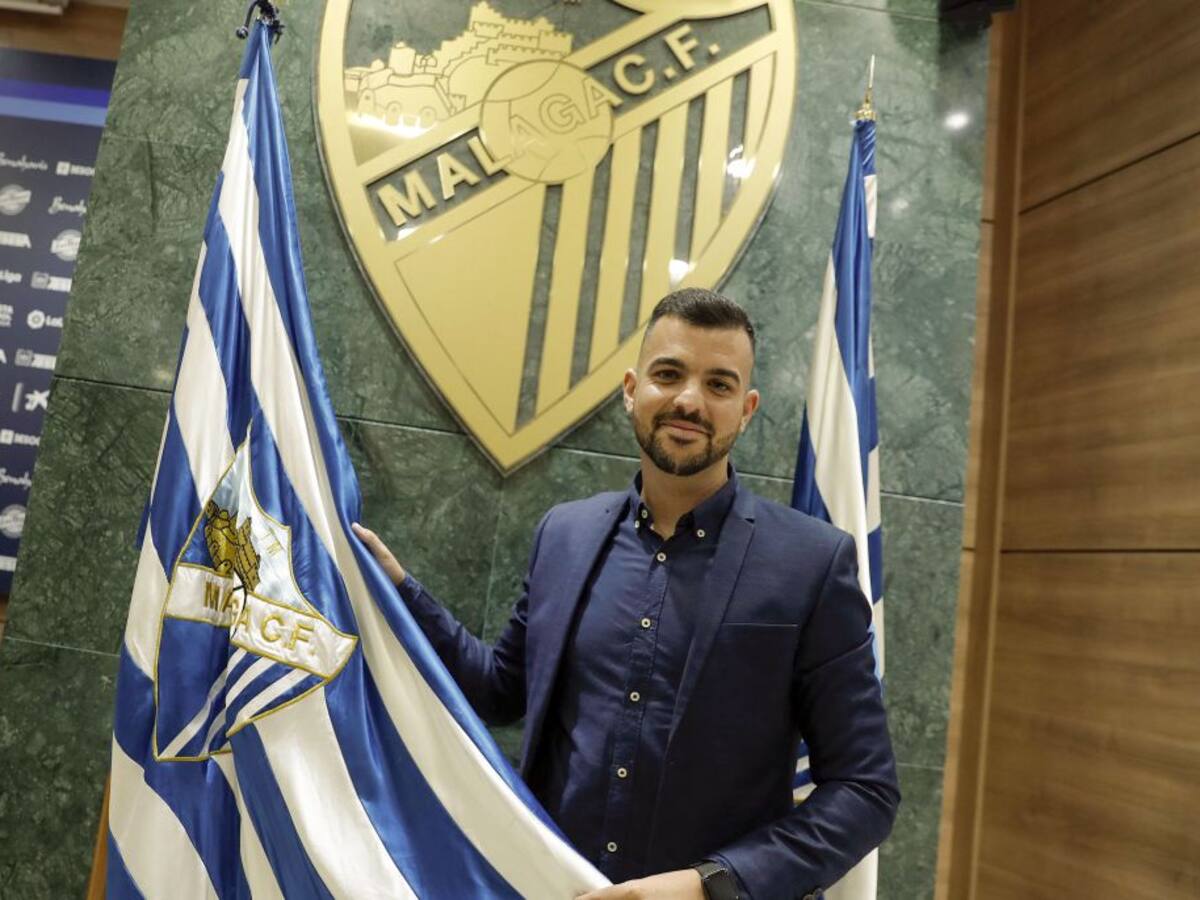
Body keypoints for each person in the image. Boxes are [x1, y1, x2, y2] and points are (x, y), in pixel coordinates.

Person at [354, 289, 899, 900]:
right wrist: (398, 592)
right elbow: (503, 688)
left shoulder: (811, 562)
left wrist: (708, 887)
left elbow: (864, 788)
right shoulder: (565, 533)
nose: (689, 400)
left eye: (718, 385)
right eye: (669, 374)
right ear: (631, 389)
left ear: (746, 410)